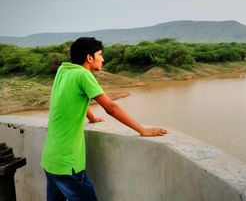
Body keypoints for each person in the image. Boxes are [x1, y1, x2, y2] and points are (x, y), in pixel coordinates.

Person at [40, 37, 167, 201]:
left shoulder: (63, 70)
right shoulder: (83, 75)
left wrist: (91, 117)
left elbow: (72, 98)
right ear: (89, 57)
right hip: (68, 163)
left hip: (50, 159)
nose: (103, 59)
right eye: (100, 54)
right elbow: (111, 108)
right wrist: (143, 130)